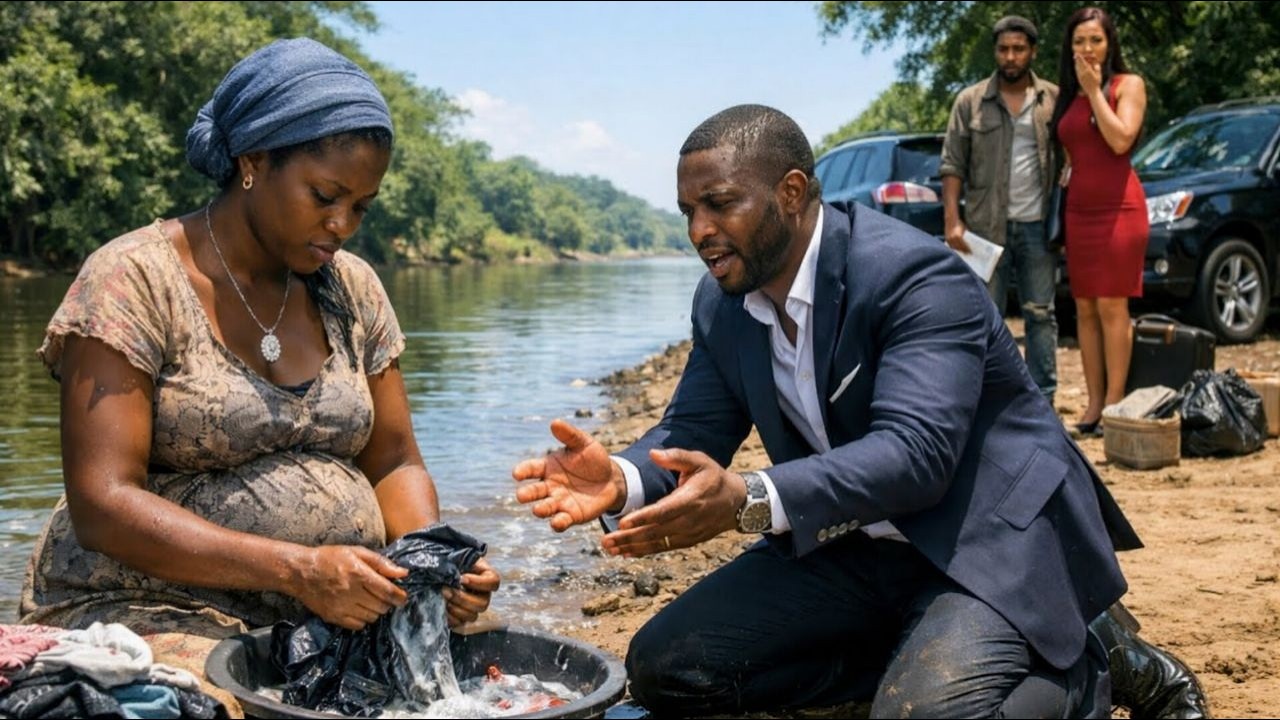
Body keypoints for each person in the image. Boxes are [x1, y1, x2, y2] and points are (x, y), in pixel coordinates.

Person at [513, 104, 1206, 718]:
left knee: (924, 715)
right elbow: (692, 430)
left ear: (790, 193)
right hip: (858, 544)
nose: (700, 230)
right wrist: (621, 479)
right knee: (665, 668)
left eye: (719, 204)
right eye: (688, 211)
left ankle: (1090, 662)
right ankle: (926, 655)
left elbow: (916, 455)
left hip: (981, 539)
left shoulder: (914, 275)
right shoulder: (723, 303)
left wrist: (748, 499)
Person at [20, 38, 499, 647]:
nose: (342, 225)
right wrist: (298, 570)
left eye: (362, 207)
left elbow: (394, 463)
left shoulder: (352, 288)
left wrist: (434, 562)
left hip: (326, 609)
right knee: (210, 694)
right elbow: (103, 504)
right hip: (146, 604)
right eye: (324, 197)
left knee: (484, 677)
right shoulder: (134, 280)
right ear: (253, 161)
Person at [941, 15, 1060, 406]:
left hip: (1038, 225)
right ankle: (990, 400)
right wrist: (952, 222)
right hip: (983, 229)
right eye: (1004, 49)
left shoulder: (1052, 99)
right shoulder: (971, 101)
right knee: (984, 315)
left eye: (1018, 49)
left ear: (1032, 52)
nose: (1010, 57)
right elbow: (952, 165)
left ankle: (1042, 400)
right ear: (995, 51)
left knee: (1040, 314)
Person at [1051, 6, 1150, 436]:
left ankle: (1114, 403)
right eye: (1079, 41)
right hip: (1079, 211)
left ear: (1110, 44)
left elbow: (1120, 139)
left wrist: (1094, 92)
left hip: (1120, 209)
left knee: (1112, 305)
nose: (1087, 48)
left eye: (1096, 40)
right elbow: (1072, 146)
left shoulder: (1128, 85)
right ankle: (1092, 404)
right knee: (1085, 308)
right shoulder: (1066, 95)